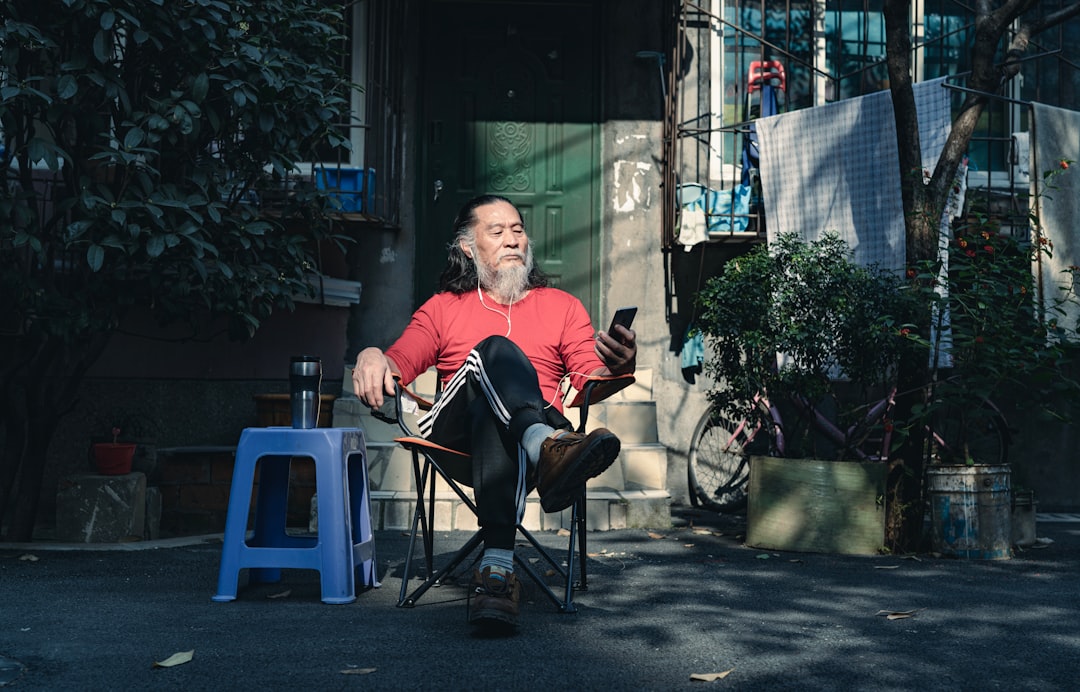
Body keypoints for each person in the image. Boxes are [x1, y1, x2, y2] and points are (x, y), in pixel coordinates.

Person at [352, 194, 637, 631]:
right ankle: (544, 445)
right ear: (468, 246)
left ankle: (497, 572)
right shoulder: (444, 307)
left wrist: (619, 363)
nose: (512, 241)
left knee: (496, 414)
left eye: (518, 231)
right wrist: (373, 354)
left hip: (515, 434)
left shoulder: (561, 306)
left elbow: (590, 377)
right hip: (454, 436)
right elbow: (400, 362)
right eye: (497, 231)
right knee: (495, 353)